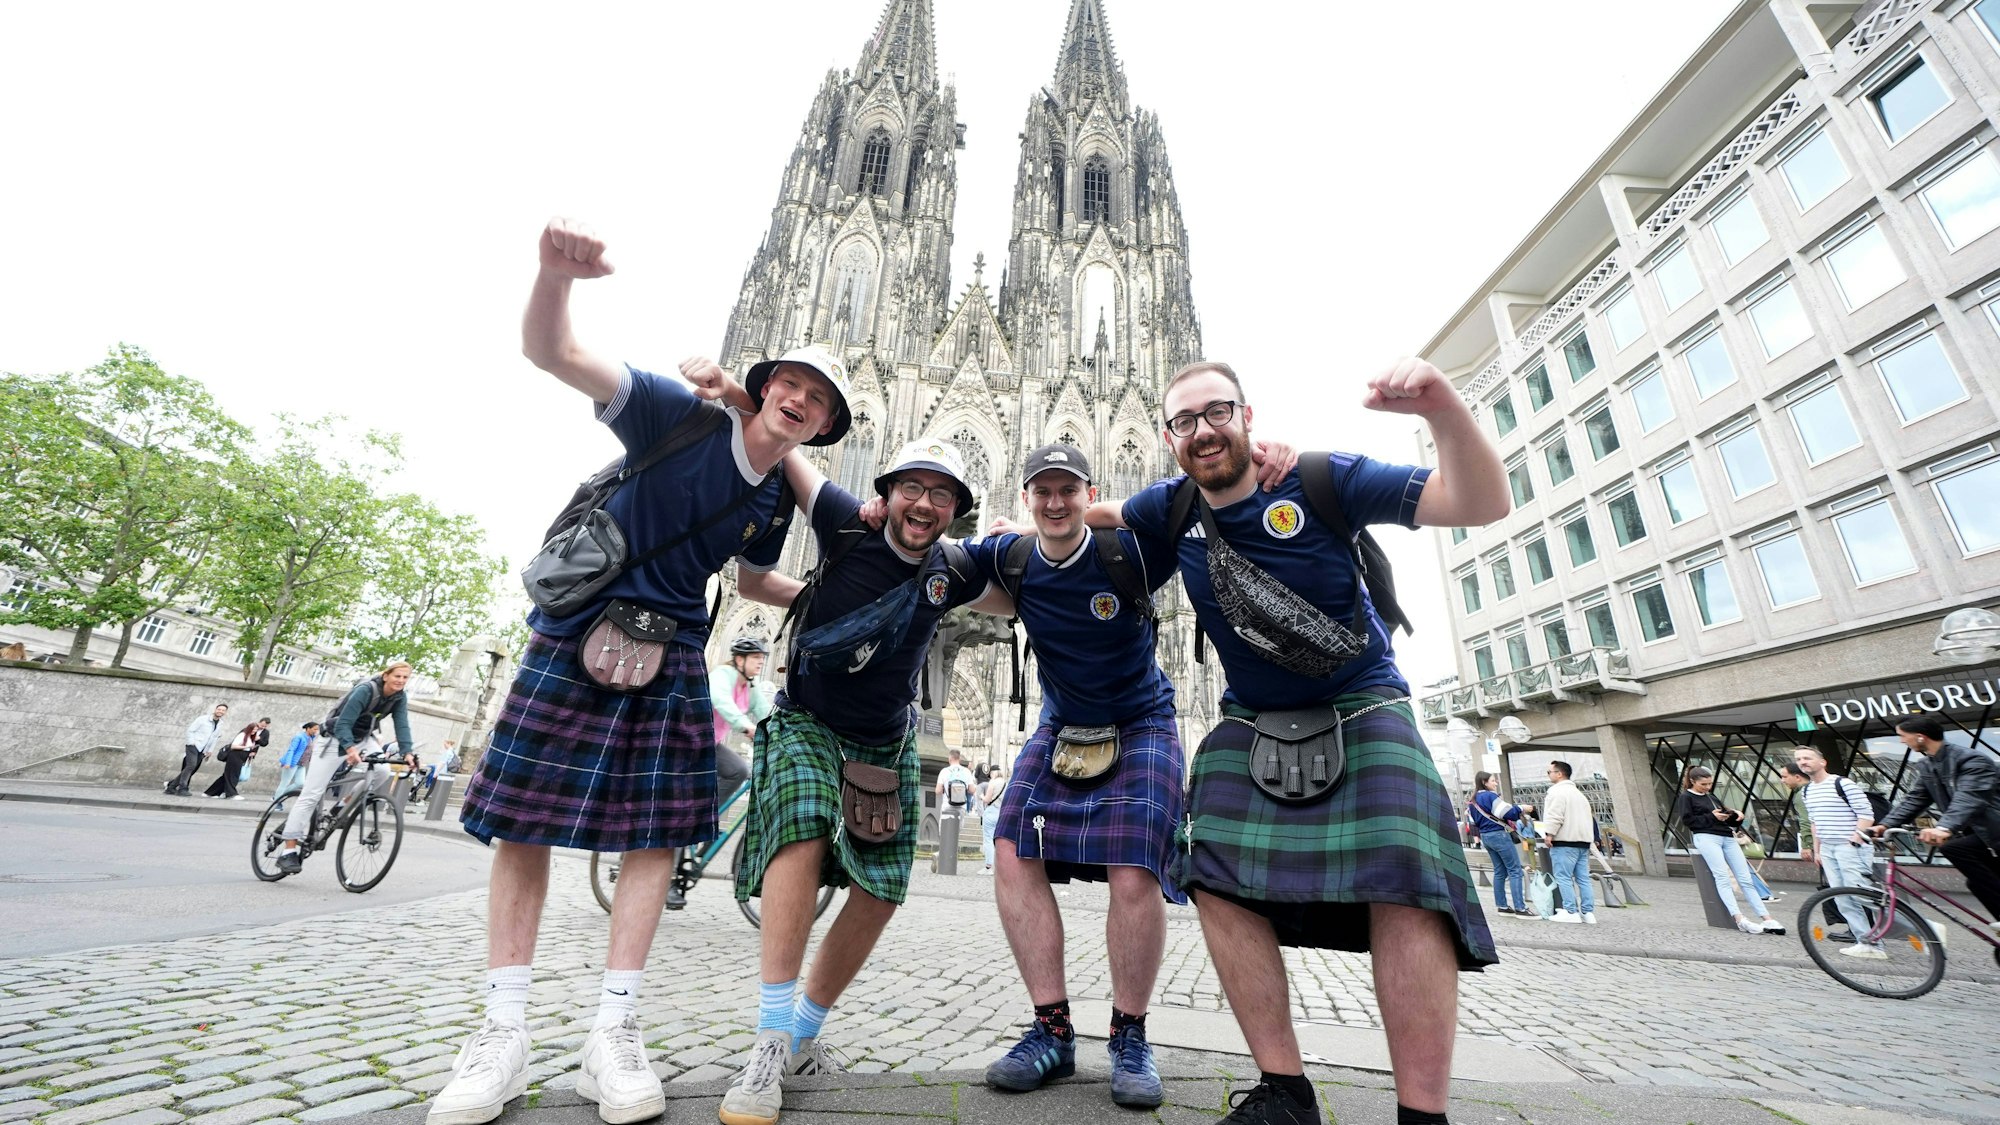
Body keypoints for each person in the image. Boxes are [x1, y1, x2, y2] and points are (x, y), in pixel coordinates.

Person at [428, 220, 847, 1125]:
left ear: (821, 423)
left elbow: (744, 575)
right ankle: (501, 1032)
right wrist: (552, 275)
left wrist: (822, 593)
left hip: (668, 646)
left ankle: (611, 1034)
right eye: (789, 384)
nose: (798, 400)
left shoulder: (775, 491)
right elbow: (554, 350)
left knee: (656, 837)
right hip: (579, 627)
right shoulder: (672, 408)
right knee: (523, 825)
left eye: (816, 399)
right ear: (763, 383)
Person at [1097, 357, 1510, 1125]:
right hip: (1250, 717)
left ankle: (1424, 1114)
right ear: (1168, 436)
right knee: (1209, 868)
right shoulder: (1172, 506)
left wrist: (1440, 407)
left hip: (1363, 701)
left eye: (1216, 411)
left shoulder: (1326, 477)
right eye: (1185, 421)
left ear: (1247, 413)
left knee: (1406, 884)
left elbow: (1482, 502)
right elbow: (1107, 516)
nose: (1203, 430)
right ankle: (1285, 1092)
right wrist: (1032, 526)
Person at [717, 431, 1010, 1125]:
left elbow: (1028, 576)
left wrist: (1021, 531)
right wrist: (734, 389)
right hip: (807, 718)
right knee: (800, 836)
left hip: (886, 736)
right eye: (911, 485)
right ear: (885, 493)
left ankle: (804, 1035)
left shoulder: (954, 569)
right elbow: (783, 448)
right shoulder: (846, 519)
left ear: (954, 509)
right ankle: (767, 1041)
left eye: (942, 493)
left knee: (881, 889)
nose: (924, 501)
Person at [277, 662, 415, 873]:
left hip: (361, 738)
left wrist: (407, 752)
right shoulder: (365, 690)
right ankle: (288, 851)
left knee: (382, 771)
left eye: (405, 678)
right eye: (397, 676)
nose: (401, 681)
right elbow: (343, 724)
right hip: (333, 739)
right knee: (312, 794)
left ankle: (343, 805)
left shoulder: (399, 696)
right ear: (386, 675)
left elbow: (402, 724)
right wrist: (349, 749)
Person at [1876, 717, 2000, 925]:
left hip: (1993, 830)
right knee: (1978, 883)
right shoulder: (1927, 764)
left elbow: (1970, 796)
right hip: (1978, 835)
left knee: (1955, 849)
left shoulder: (1972, 760)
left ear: (1920, 737)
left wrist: (1945, 827)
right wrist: (1885, 824)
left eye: (1902, 736)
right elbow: (1915, 799)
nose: (1901, 742)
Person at [1792, 745, 1883, 958]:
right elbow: (1814, 822)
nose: (1803, 762)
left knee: (1864, 896)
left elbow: (1866, 814)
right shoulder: (1807, 790)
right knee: (1843, 899)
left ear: (1822, 762)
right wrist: (1818, 851)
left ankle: (1923, 929)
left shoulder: (1843, 784)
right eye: (1799, 759)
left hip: (1850, 847)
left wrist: (1856, 838)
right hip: (1829, 849)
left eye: (1807, 758)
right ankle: (1867, 943)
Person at [1670, 767, 1784, 935]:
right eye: (1704, 784)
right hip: (1706, 837)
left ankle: (1766, 918)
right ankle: (1738, 918)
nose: (1708, 787)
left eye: (1710, 783)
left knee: (1745, 878)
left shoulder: (1711, 795)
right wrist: (1712, 817)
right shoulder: (1686, 797)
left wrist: (1735, 815)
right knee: (1722, 877)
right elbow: (1688, 821)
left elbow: (1723, 816)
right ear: (1693, 781)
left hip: (1726, 836)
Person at [1537, 761, 1596, 925]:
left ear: (1559, 773)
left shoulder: (1557, 792)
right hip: (1583, 842)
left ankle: (1571, 911)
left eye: (1549, 772)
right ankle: (1588, 912)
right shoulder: (1579, 794)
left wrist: (1549, 834)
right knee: (1583, 878)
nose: (1548, 775)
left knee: (1563, 877)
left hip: (1565, 841)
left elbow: (1555, 815)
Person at [1465, 772, 1532, 916]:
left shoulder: (1473, 801)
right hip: (1499, 835)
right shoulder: (1490, 796)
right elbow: (1507, 813)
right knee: (1514, 870)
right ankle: (1520, 908)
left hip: (1486, 836)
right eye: (1493, 781)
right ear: (1484, 782)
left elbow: (1474, 822)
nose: (1496, 783)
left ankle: (1502, 906)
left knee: (1499, 871)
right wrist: (1521, 808)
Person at [165, 703, 229, 795]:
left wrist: (210, 750)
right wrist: (191, 743)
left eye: (223, 710)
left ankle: (171, 787)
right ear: (215, 709)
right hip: (194, 745)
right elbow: (190, 730)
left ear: (225, 712)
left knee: (192, 767)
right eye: (219, 709)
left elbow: (215, 738)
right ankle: (182, 788)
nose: (220, 711)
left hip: (203, 749)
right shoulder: (202, 719)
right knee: (191, 765)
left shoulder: (220, 724)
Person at [205, 718, 270, 800]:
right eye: (254, 730)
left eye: (256, 730)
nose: (255, 731)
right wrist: (247, 747)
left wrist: (256, 744)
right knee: (233, 775)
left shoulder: (261, 734)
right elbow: (233, 745)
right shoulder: (243, 734)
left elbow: (264, 743)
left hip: (245, 755)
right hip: (236, 754)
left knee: (228, 775)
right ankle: (231, 793)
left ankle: (212, 792)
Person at [977, 761, 1005, 876]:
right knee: (997, 841)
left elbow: (987, 799)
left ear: (993, 773)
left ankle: (988, 867)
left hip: (991, 812)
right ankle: (999, 867)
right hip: (1001, 813)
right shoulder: (1005, 783)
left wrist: (981, 796)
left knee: (988, 840)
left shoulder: (992, 783)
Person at [278, 722, 319, 795]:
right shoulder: (299, 737)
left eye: (317, 729)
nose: (316, 731)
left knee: (300, 783)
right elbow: (291, 750)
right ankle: (277, 802)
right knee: (284, 783)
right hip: (292, 763)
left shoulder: (311, 738)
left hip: (302, 764)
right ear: (308, 728)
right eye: (314, 729)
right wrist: (288, 762)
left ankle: (279, 795)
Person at [935, 749, 976, 822]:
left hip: (947, 806)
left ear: (950, 758)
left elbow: (938, 791)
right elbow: (972, 790)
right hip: (961, 807)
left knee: (945, 831)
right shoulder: (966, 771)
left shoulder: (944, 771)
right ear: (959, 758)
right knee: (956, 831)